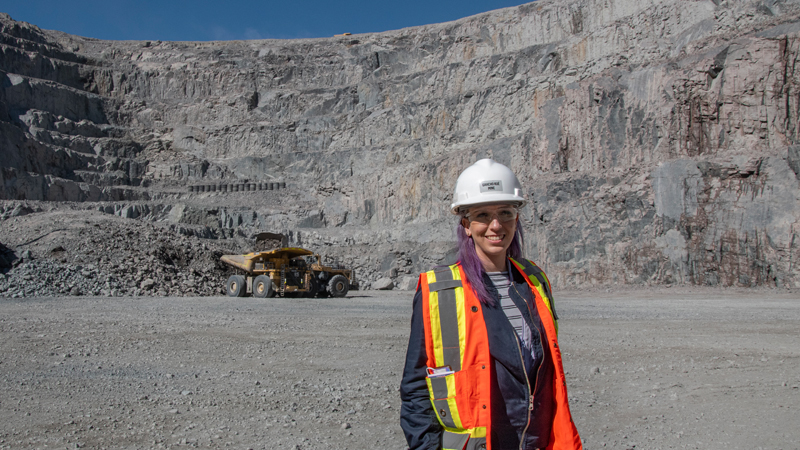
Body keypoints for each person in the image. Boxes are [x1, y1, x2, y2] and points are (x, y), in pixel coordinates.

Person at [400, 159, 582, 450]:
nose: (496, 225)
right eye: (483, 215)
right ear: (466, 225)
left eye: (505, 213)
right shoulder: (440, 290)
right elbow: (416, 387)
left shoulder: (534, 281)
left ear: (516, 219)